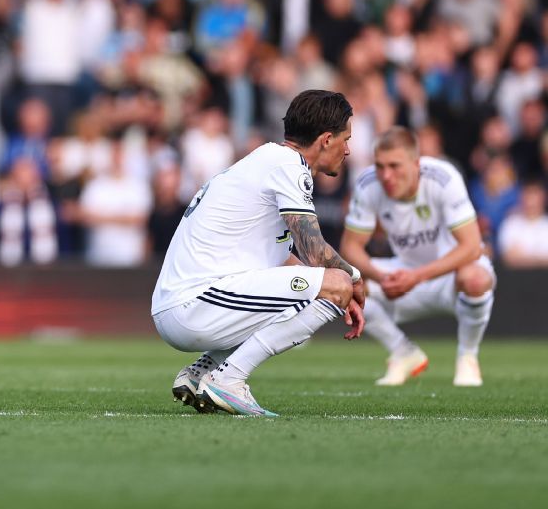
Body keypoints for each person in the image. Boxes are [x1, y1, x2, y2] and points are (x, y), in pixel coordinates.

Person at [151, 90, 367, 416]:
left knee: (324, 286)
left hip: (181, 304)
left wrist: (332, 285)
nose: (348, 149)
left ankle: (201, 373)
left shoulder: (267, 161)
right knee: (336, 284)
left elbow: (286, 260)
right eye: (345, 139)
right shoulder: (287, 166)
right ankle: (229, 379)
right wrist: (352, 279)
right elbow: (314, 249)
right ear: (325, 139)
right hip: (193, 305)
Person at [340, 127, 495, 387]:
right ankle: (403, 353)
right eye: (380, 166)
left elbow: (472, 247)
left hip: (449, 275)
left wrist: (417, 277)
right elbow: (350, 247)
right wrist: (382, 277)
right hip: (404, 274)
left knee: (476, 278)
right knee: (342, 283)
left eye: (395, 166)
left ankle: (468, 357)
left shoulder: (443, 178)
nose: (386, 175)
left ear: (416, 164)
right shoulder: (368, 183)